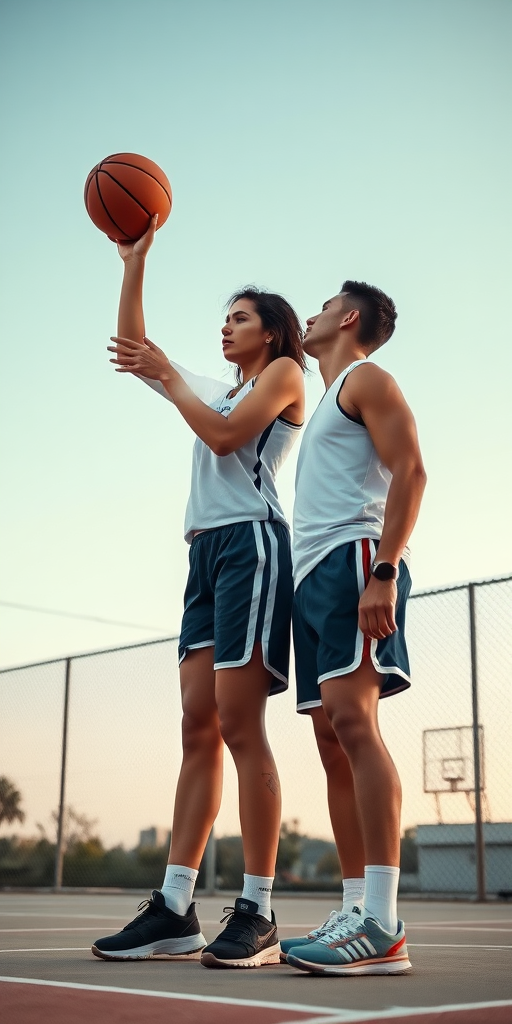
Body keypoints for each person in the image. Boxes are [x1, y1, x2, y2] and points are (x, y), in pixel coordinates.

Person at [92, 216, 305, 968]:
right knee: (196, 728)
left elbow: (224, 437)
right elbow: (135, 354)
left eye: (240, 317)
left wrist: (174, 379)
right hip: (205, 554)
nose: (226, 326)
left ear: (273, 332)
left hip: (252, 543)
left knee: (241, 725)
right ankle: (176, 907)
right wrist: (133, 262)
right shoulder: (216, 387)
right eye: (224, 318)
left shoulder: (283, 377)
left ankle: (258, 909)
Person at [281, 281, 426, 976]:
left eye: (321, 305)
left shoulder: (368, 378)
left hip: (354, 560)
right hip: (312, 576)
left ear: (348, 318)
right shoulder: (332, 404)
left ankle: (383, 920)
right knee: (330, 737)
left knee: (356, 725)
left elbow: (412, 472)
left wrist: (385, 570)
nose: (308, 315)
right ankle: (353, 907)